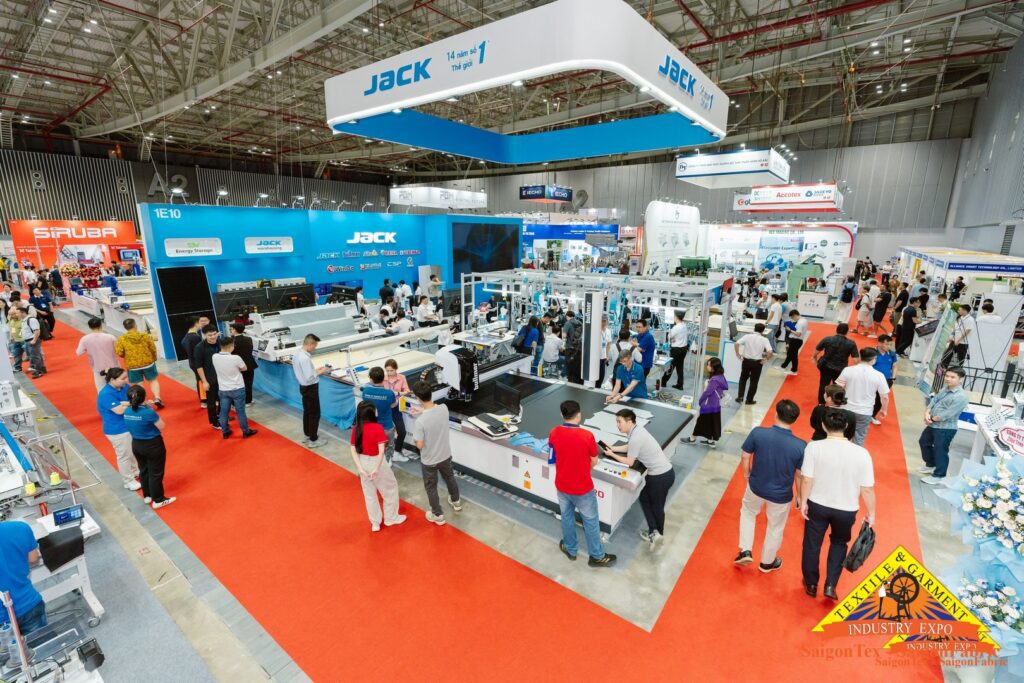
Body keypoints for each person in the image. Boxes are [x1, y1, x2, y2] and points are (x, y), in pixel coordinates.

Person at [799, 410, 876, 600]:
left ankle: (811, 583)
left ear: (823, 426)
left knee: (812, 543)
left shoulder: (814, 447)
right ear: (846, 427)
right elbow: (867, 489)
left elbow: (806, 479)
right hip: (846, 509)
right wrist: (871, 513)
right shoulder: (862, 453)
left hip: (818, 504)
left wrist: (803, 501)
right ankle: (830, 585)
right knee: (839, 543)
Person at [734, 400, 805, 573]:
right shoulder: (801, 446)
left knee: (748, 512)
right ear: (794, 419)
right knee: (775, 526)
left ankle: (745, 550)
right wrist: (800, 496)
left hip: (756, 486)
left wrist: (747, 474)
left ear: (776, 413)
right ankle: (767, 562)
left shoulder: (758, 433)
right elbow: (799, 475)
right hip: (781, 495)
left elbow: (745, 456)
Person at [549, 400, 616, 567]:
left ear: (561, 414)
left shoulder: (554, 432)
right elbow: (594, 461)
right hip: (582, 488)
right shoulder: (587, 436)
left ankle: (570, 549)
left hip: (562, 485)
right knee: (591, 521)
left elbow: (552, 458)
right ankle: (596, 556)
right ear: (579, 415)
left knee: (567, 517)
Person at [602, 409, 674, 546]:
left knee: (655, 505)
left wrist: (612, 455)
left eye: (620, 422)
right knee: (647, 500)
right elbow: (630, 446)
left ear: (629, 421)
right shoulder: (637, 430)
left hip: (659, 477)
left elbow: (630, 462)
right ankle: (656, 532)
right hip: (666, 473)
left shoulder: (635, 437)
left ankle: (656, 533)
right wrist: (612, 448)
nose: (618, 425)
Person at [410, 380, 462, 525]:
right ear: (430, 393)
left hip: (429, 460)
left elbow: (420, 445)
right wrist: (422, 410)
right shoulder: (444, 408)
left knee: (431, 487)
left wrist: (415, 438)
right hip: (445, 454)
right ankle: (456, 501)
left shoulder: (420, 422)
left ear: (418, 398)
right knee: (450, 478)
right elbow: (434, 410)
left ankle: (437, 515)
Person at [349, 400, 406, 532]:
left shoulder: (356, 429)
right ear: (371, 413)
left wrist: (360, 469)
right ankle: (391, 518)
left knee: (369, 494)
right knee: (390, 489)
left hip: (363, 462)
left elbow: (353, 450)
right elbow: (381, 452)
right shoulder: (378, 428)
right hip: (377, 463)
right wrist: (376, 468)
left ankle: (375, 523)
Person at [122, 385, 176, 509]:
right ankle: (158, 499)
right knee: (156, 473)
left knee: (144, 470)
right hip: (153, 445)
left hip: (136, 444)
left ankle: (147, 496)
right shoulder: (148, 412)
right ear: (144, 397)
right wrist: (149, 409)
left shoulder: (127, 411)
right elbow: (162, 426)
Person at [919, 367, 970, 485]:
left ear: (961, 379)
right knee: (924, 442)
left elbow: (947, 414)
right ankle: (931, 464)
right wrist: (927, 412)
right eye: (947, 376)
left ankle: (939, 475)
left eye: (952, 377)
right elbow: (934, 400)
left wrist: (931, 419)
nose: (948, 379)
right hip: (933, 424)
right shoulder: (945, 389)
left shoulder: (961, 397)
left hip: (945, 428)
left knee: (940, 450)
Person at [97, 368, 141, 489]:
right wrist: (130, 404)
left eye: (126, 377)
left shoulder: (123, 386)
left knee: (132, 451)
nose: (126, 380)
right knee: (124, 455)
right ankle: (128, 481)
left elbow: (133, 397)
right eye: (123, 379)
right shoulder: (106, 394)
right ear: (112, 380)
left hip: (128, 425)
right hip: (117, 430)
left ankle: (135, 471)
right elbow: (119, 410)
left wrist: (125, 403)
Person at [836, 348, 890, 446]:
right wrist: (884, 410)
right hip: (865, 411)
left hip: (846, 408)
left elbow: (838, 388)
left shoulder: (848, 370)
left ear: (860, 357)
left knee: (841, 435)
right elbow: (885, 397)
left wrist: (836, 404)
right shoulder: (879, 376)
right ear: (874, 359)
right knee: (859, 438)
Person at [0, 520, 46, 634]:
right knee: (43, 643)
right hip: (29, 604)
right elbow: (33, 558)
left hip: (3, 620)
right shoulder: (20, 527)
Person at [212, 337, 258, 439]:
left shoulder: (214, 356)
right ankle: (245, 431)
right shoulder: (236, 358)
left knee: (223, 412)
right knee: (240, 412)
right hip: (237, 388)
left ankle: (225, 431)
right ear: (231, 346)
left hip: (223, 389)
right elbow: (244, 368)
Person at [115, 319, 164, 408]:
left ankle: (144, 401)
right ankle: (157, 398)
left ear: (125, 327)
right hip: (148, 363)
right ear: (135, 325)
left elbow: (119, 352)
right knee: (153, 380)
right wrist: (153, 358)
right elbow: (152, 348)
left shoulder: (122, 339)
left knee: (139, 384)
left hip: (133, 366)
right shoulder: (145, 335)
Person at [293, 334, 328, 448]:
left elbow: (306, 373)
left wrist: (315, 370)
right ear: (310, 344)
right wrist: (322, 371)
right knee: (314, 413)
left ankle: (308, 434)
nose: (315, 348)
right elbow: (309, 377)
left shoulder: (297, 354)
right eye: (315, 345)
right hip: (310, 387)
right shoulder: (305, 358)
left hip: (303, 386)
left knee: (307, 412)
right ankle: (313, 439)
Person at [362, 366, 403, 462]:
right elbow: (392, 405)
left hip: (371, 426)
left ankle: (375, 462)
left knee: (374, 446)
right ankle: (387, 462)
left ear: (371, 379)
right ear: (383, 378)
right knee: (388, 446)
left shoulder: (366, 391)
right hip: (386, 426)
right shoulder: (389, 393)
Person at [685, 358, 728, 447]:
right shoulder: (721, 376)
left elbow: (707, 392)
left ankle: (692, 439)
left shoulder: (714, 380)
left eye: (709, 365)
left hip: (708, 405)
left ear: (714, 367)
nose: (707, 366)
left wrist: (700, 400)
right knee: (712, 423)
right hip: (716, 405)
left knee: (700, 422)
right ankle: (710, 441)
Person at [813, 323, 859, 404]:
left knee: (823, 385)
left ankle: (821, 403)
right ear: (847, 332)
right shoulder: (851, 343)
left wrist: (815, 359)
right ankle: (836, 403)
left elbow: (816, 351)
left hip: (826, 366)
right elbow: (856, 360)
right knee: (838, 387)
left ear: (836, 330)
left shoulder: (827, 339)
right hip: (841, 369)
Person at [76, 317, 119, 390]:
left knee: (101, 389)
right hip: (113, 366)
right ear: (101, 325)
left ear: (89, 327)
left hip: (97, 367)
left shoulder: (85, 339)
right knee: (117, 387)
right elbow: (118, 350)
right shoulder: (111, 337)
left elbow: (79, 353)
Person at [734, 323, 773, 405]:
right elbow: (770, 352)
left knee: (743, 379)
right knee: (754, 382)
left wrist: (738, 354)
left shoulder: (747, 336)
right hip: (757, 363)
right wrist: (766, 359)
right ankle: (749, 400)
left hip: (746, 361)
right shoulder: (764, 339)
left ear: (754, 329)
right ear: (763, 331)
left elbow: (736, 343)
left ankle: (740, 397)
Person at [191, 326, 222, 428]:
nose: (213, 337)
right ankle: (214, 422)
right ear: (205, 335)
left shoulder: (220, 343)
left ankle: (221, 415)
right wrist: (204, 381)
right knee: (211, 402)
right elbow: (199, 366)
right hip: (209, 378)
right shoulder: (199, 348)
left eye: (214, 334)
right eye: (210, 335)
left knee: (223, 398)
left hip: (222, 377)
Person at [383, 359, 411, 461]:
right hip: (385, 408)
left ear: (396, 369)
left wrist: (397, 393)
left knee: (402, 432)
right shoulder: (383, 378)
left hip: (396, 407)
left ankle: (396, 452)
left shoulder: (402, 377)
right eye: (387, 371)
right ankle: (386, 456)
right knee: (385, 433)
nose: (389, 373)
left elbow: (407, 390)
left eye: (391, 370)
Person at [181, 315, 209, 407]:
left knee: (199, 380)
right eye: (200, 322)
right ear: (196, 323)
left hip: (192, 362)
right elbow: (200, 351)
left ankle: (203, 399)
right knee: (202, 380)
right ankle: (204, 400)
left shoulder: (187, 336)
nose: (201, 324)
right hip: (198, 363)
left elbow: (183, 344)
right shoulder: (195, 337)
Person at [871, 335, 898, 425]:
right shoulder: (872, 353)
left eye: (890, 344)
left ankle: (872, 415)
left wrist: (893, 378)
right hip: (872, 380)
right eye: (887, 344)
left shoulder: (892, 354)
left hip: (886, 380)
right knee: (870, 397)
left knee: (880, 399)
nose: (889, 346)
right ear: (879, 343)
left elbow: (895, 366)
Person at [229, 323, 258, 405]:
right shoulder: (248, 339)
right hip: (248, 364)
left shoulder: (230, 341)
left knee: (236, 384)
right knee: (248, 383)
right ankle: (248, 401)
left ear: (234, 330)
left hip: (236, 366)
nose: (231, 330)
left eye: (231, 329)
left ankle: (235, 402)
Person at [13, 307, 45, 378]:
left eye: (17, 313)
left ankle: (39, 371)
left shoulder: (31, 320)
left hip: (32, 340)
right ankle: (42, 369)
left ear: (23, 313)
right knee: (35, 355)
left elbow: (37, 330)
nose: (16, 315)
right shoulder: (24, 320)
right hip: (28, 340)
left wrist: (34, 340)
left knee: (34, 356)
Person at [780, 309, 808, 375]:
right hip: (797, 341)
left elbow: (798, 334)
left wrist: (790, 330)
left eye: (792, 317)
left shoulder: (800, 323)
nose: (793, 319)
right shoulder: (804, 320)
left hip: (796, 340)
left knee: (793, 356)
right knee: (790, 354)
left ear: (795, 315)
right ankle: (783, 366)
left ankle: (794, 370)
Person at [667, 310, 689, 389]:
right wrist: (672, 338)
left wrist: (671, 338)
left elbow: (669, 336)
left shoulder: (676, 328)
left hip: (676, 350)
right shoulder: (684, 325)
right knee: (680, 367)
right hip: (684, 349)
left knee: (671, 366)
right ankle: (680, 384)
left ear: (676, 316)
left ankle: (663, 381)